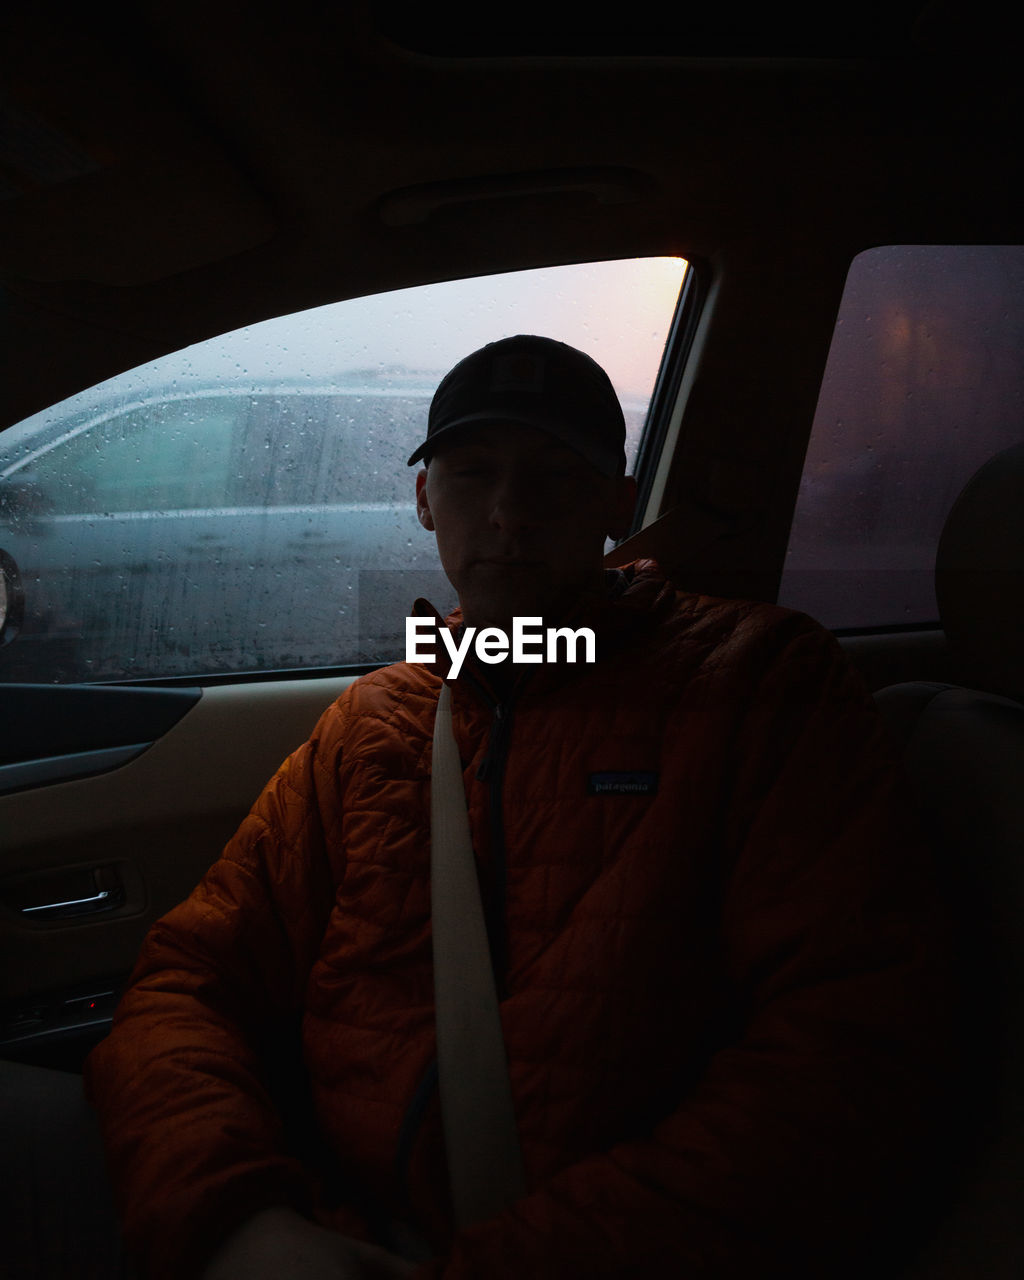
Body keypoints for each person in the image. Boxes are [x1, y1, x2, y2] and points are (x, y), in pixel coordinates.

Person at [83, 335, 952, 1280]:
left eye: (557, 477)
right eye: (471, 474)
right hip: (323, 1224)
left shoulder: (756, 683)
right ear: (424, 501)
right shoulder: (379, 717)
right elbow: (188, 981)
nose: (508, 513)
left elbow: (849, 1053)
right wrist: (234, 1217)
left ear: (618, 509)